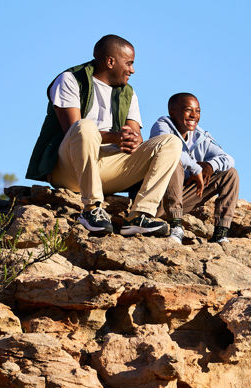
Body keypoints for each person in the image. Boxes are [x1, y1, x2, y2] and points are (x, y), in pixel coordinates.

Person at [26, 35, 182, 237]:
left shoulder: (128, 93)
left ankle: (139, 215)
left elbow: (135, 135)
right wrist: (115, 137)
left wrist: (133, 140)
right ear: (110, 62)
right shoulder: (71, 79)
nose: (132, 70)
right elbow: (72, 130)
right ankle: (92, 209)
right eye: (129, 63)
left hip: (109, 169)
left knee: (171, 142)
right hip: (70, 167)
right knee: (85, 126)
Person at [149, 93, 239, 244]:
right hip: (157, 200)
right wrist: (196, 169)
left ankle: (220, 233)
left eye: (198, 111)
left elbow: (229, 159)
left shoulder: (200, 136)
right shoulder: (161, 126)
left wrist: (210, 166)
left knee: (230, 174)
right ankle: (175, 227)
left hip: (183, 197)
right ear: (172, 112)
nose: (194, 115)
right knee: (175, 162)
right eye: (188, 110)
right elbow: (171, 151)